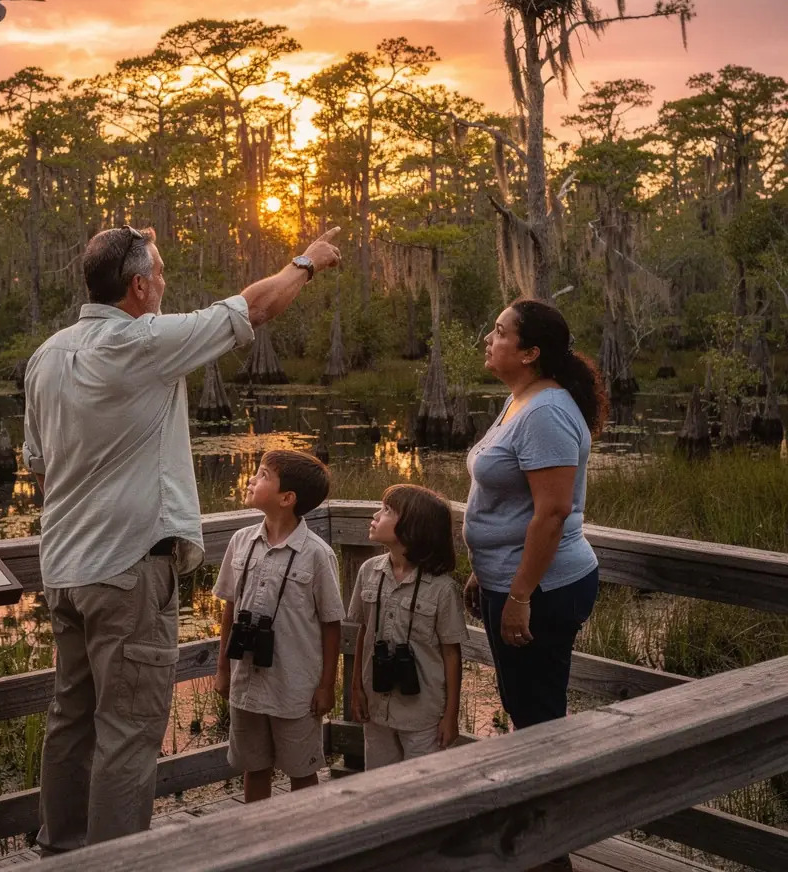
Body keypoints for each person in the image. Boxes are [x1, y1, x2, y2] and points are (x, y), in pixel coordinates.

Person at [23, 225, 341, 854]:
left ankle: (61, 851)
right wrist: (308, 261)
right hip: (127, 573)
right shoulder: (140, 342)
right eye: (161, 273)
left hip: (63, 571)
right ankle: (119, 864)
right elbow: (256, 307)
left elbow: (37, 461)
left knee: (70, 721)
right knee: (130, 731)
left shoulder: (48, 355)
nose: (165, 283)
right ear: (138, 286)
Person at [463, 298, 606, 723]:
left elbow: (553, 513)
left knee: (537, 717)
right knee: (519, 704)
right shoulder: (521, 400)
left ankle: (554, 791)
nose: (489, 339)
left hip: (542, 590)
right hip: (508, 578)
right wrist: (483, 568)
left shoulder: (547, 413)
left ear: (530, 354)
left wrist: (519, 595)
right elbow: (510, 502)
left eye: (501, 332)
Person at [213, 450, 344, 802]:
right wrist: (223, 669)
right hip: (247, 682)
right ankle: (258, 839)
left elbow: (332, 625)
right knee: (253, 766)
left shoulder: (317, 554)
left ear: (287, 499)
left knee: (302, 769)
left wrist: (326, 686)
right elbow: (229, 609)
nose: (252, 479)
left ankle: (302, 843)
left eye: (262, 475)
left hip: (295, 688)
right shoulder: (241, 542)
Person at [348, 484, 467, 769]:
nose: (376, 515)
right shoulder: (369, 572)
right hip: (376, 704)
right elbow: (363, 633)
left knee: (421, 789)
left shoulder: (442, 589)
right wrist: (356, 689)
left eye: (387, 510)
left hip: (422, 712)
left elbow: (452, 654)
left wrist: (450, 715)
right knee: (378, 784)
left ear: (413, 528)